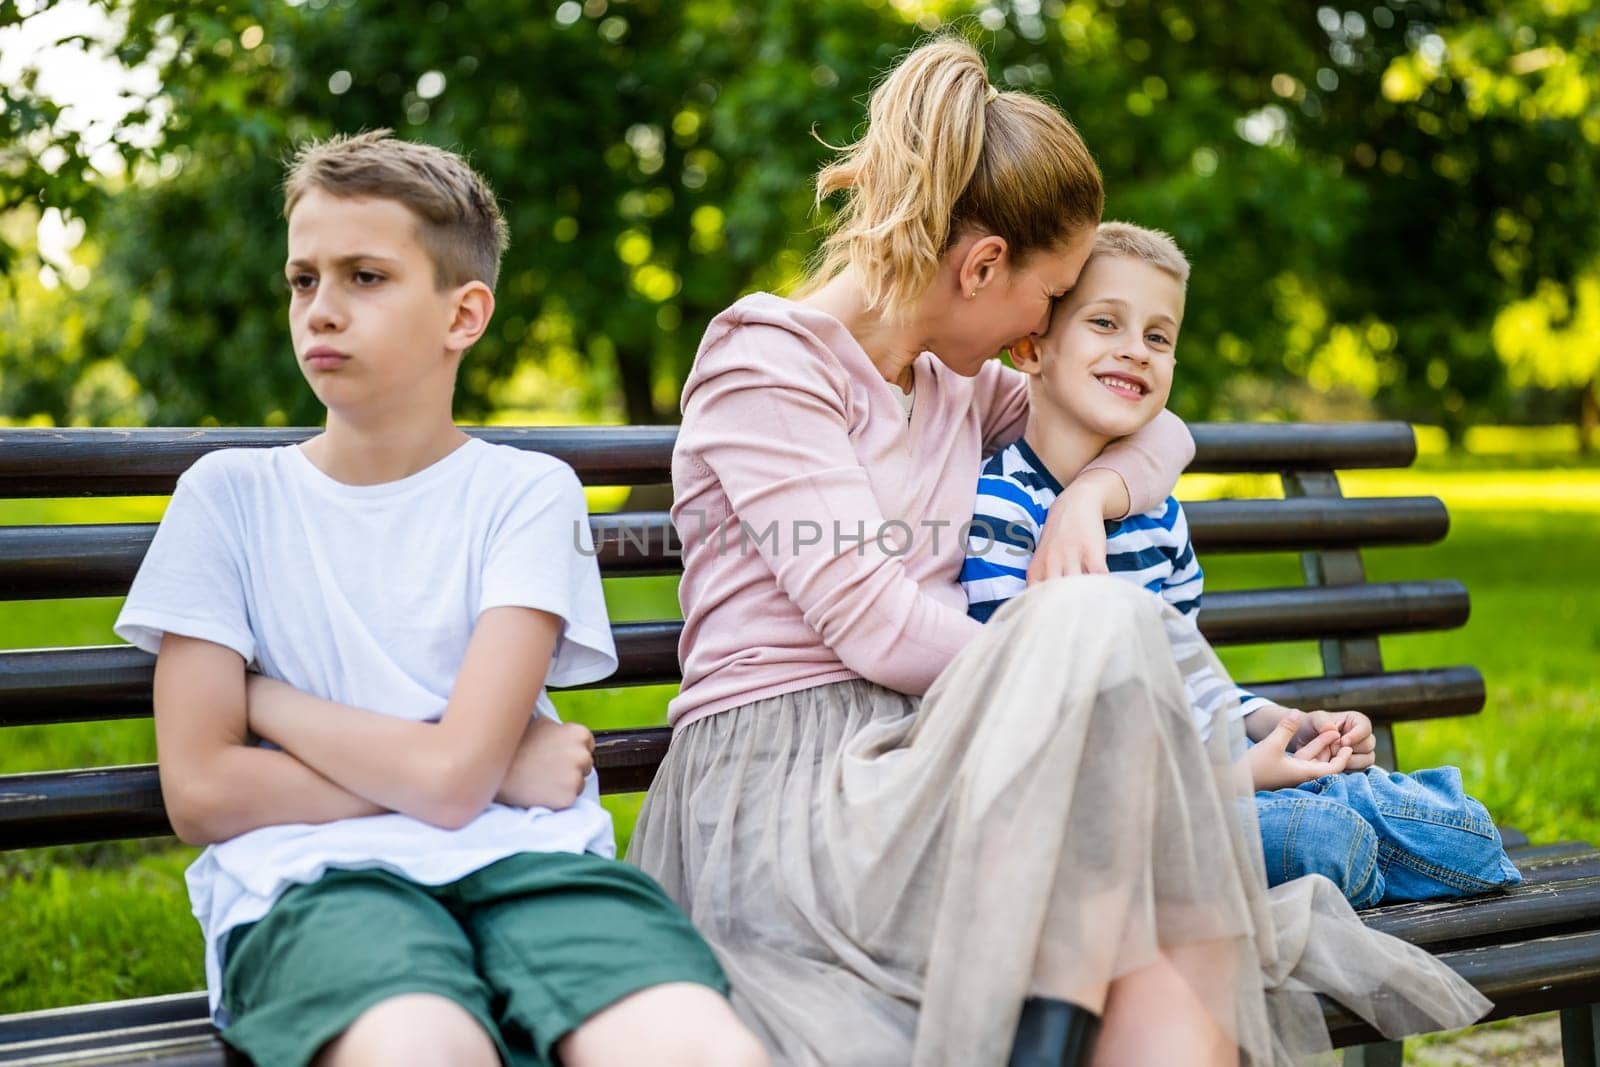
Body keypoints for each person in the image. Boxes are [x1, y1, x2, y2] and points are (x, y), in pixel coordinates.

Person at [628, 36, 1488, 1067]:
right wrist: (1112, 702)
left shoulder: (955, 384)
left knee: (1168, 970)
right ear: (983, 265)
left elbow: (1158, 430)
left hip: (940, 762)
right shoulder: (767, 361)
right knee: (1107, 643)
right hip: (793, 792)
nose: (1045, 330)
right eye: (1053, 296)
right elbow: (873, 623)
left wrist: (1087, 497)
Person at [114, 131, 766, 1067]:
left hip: (534, 871)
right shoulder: (228, 498)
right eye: (303, 280)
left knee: (692, 1047)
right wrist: (483, 772)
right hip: (317, 883)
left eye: (365, 277)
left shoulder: (525, 494)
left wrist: (268, 702)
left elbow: (452, 780)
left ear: (464, 314)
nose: (321, 310)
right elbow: (209, 790)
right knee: (425, 1047)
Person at [960, 220, 1522, 912]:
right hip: (1111, 819)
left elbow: (1193, 682)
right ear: (1030, 348)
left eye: (1158, 337)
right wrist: (1231, 776)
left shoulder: (1157, 515)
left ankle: (1353, 835)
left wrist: (1287, 725)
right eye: (1106, 323)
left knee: (1465, 833)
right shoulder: (1001, 508)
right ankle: (1349, 847)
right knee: (1325, 837)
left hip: (1217, 781)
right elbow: (1030, 730)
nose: (1135, 351)